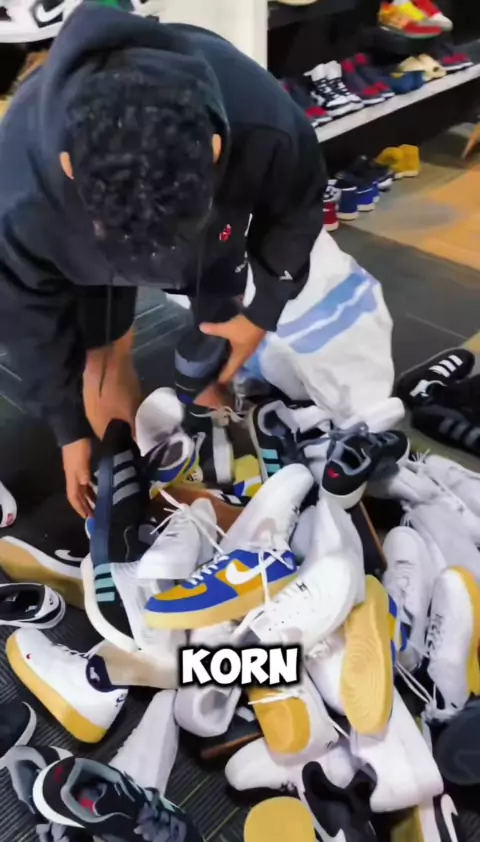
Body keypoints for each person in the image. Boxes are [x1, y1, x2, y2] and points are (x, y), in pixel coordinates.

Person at [0, 2, 327, 519]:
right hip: (87, 254)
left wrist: (264, 310)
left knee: (215, 340)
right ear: (69, 167)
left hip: (210, 238)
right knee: (102, 357)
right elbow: (27, 316)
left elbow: (296, 210)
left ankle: (213, 430)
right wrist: (68, 431)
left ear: (215, 150)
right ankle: (141, 483)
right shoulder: (19, 191)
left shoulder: (266, 123)